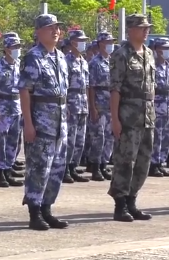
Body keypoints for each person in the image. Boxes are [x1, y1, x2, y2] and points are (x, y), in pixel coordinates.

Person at [18, 14, 69, 231]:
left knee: (56, 169)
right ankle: (34, 212)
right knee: (38, 169)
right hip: (41, 122)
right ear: (39, 32)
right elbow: (25, 91)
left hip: (60, 123)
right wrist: (28, 123)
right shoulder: (33, 57)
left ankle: (47, 209)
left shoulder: (60, 57)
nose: (55, 31)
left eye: (57, 28)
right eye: (50, 28)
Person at [108, 14, 155, 222]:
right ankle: (120, 204)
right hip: (128, 115)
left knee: (143, 162)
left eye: (147, 28)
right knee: (125, 160)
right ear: (130, 30)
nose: (146, 31)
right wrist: (115, 119)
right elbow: (115, 89)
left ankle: (132, 201)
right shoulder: (121, 54)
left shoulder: (149, 54)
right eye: (142, 28)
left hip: (147, 115)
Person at [0, 36, 24, 188]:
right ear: (7, 49)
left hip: (16, 107)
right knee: (0, 141)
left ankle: (8, 169)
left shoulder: (19, 65)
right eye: (14, 47)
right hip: (2, 106)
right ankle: (0, 173)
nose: (17, 50)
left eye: (18, 47)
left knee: (13, 141)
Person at [63, 29, 90, 183]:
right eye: (81, 40)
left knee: (80, 139)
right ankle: (65, 168)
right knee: (70, 139)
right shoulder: (66, 61)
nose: (83, 43)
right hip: (71, 104)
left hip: (82, 104)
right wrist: (65, 105)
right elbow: (63, 86)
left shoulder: (83, 62)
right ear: (73, 42)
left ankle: (73, 167)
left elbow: (87, 85)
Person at [88, 32, 116, 182]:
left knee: (110, 137)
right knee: (99, 137)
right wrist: (92, 107)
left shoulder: (113, 62)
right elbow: (91, 87)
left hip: (111, 104)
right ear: (100, 44)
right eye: (107, 42)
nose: (110, 44)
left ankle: (104, 164)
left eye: (112, 42)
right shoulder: (95, 63)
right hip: (99, 104)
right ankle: (96, 166)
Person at [151, 38, 169, 176]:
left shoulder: (167, 66)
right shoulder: (152, 67)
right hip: (156, 105)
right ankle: (153, 163)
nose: (166, 51)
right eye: (164, 48)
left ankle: (161, 161)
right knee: (156, 135)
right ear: (157, 50)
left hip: (167, 105)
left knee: (165, 136)